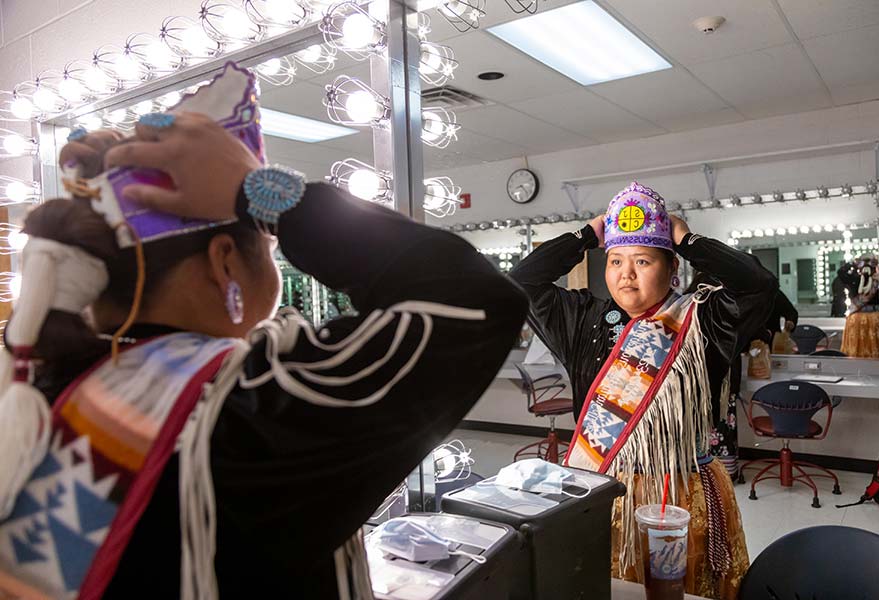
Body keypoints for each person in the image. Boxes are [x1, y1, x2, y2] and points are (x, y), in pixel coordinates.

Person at [0, 65, 527, 599]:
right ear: (225, 259)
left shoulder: (44, 390)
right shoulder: (248, 410)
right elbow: (474, 298)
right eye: (271, 245)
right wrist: (266, 194)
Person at [510, 182, 777, 599]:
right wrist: (586, 235)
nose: (625, 273)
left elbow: (759, 285)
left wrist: (688, 240)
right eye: (615, 260)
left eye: (642, 260)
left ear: (673, 270)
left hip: (680, 497)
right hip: (598, 491)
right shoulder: (583, 320)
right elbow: (522, 281)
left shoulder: (703, 320)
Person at [838, 257, 879, 357]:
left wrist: (852, 263)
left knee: (856, 351)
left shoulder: (854, 279)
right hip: (876, 318)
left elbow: (841, 272)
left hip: (856, 319)